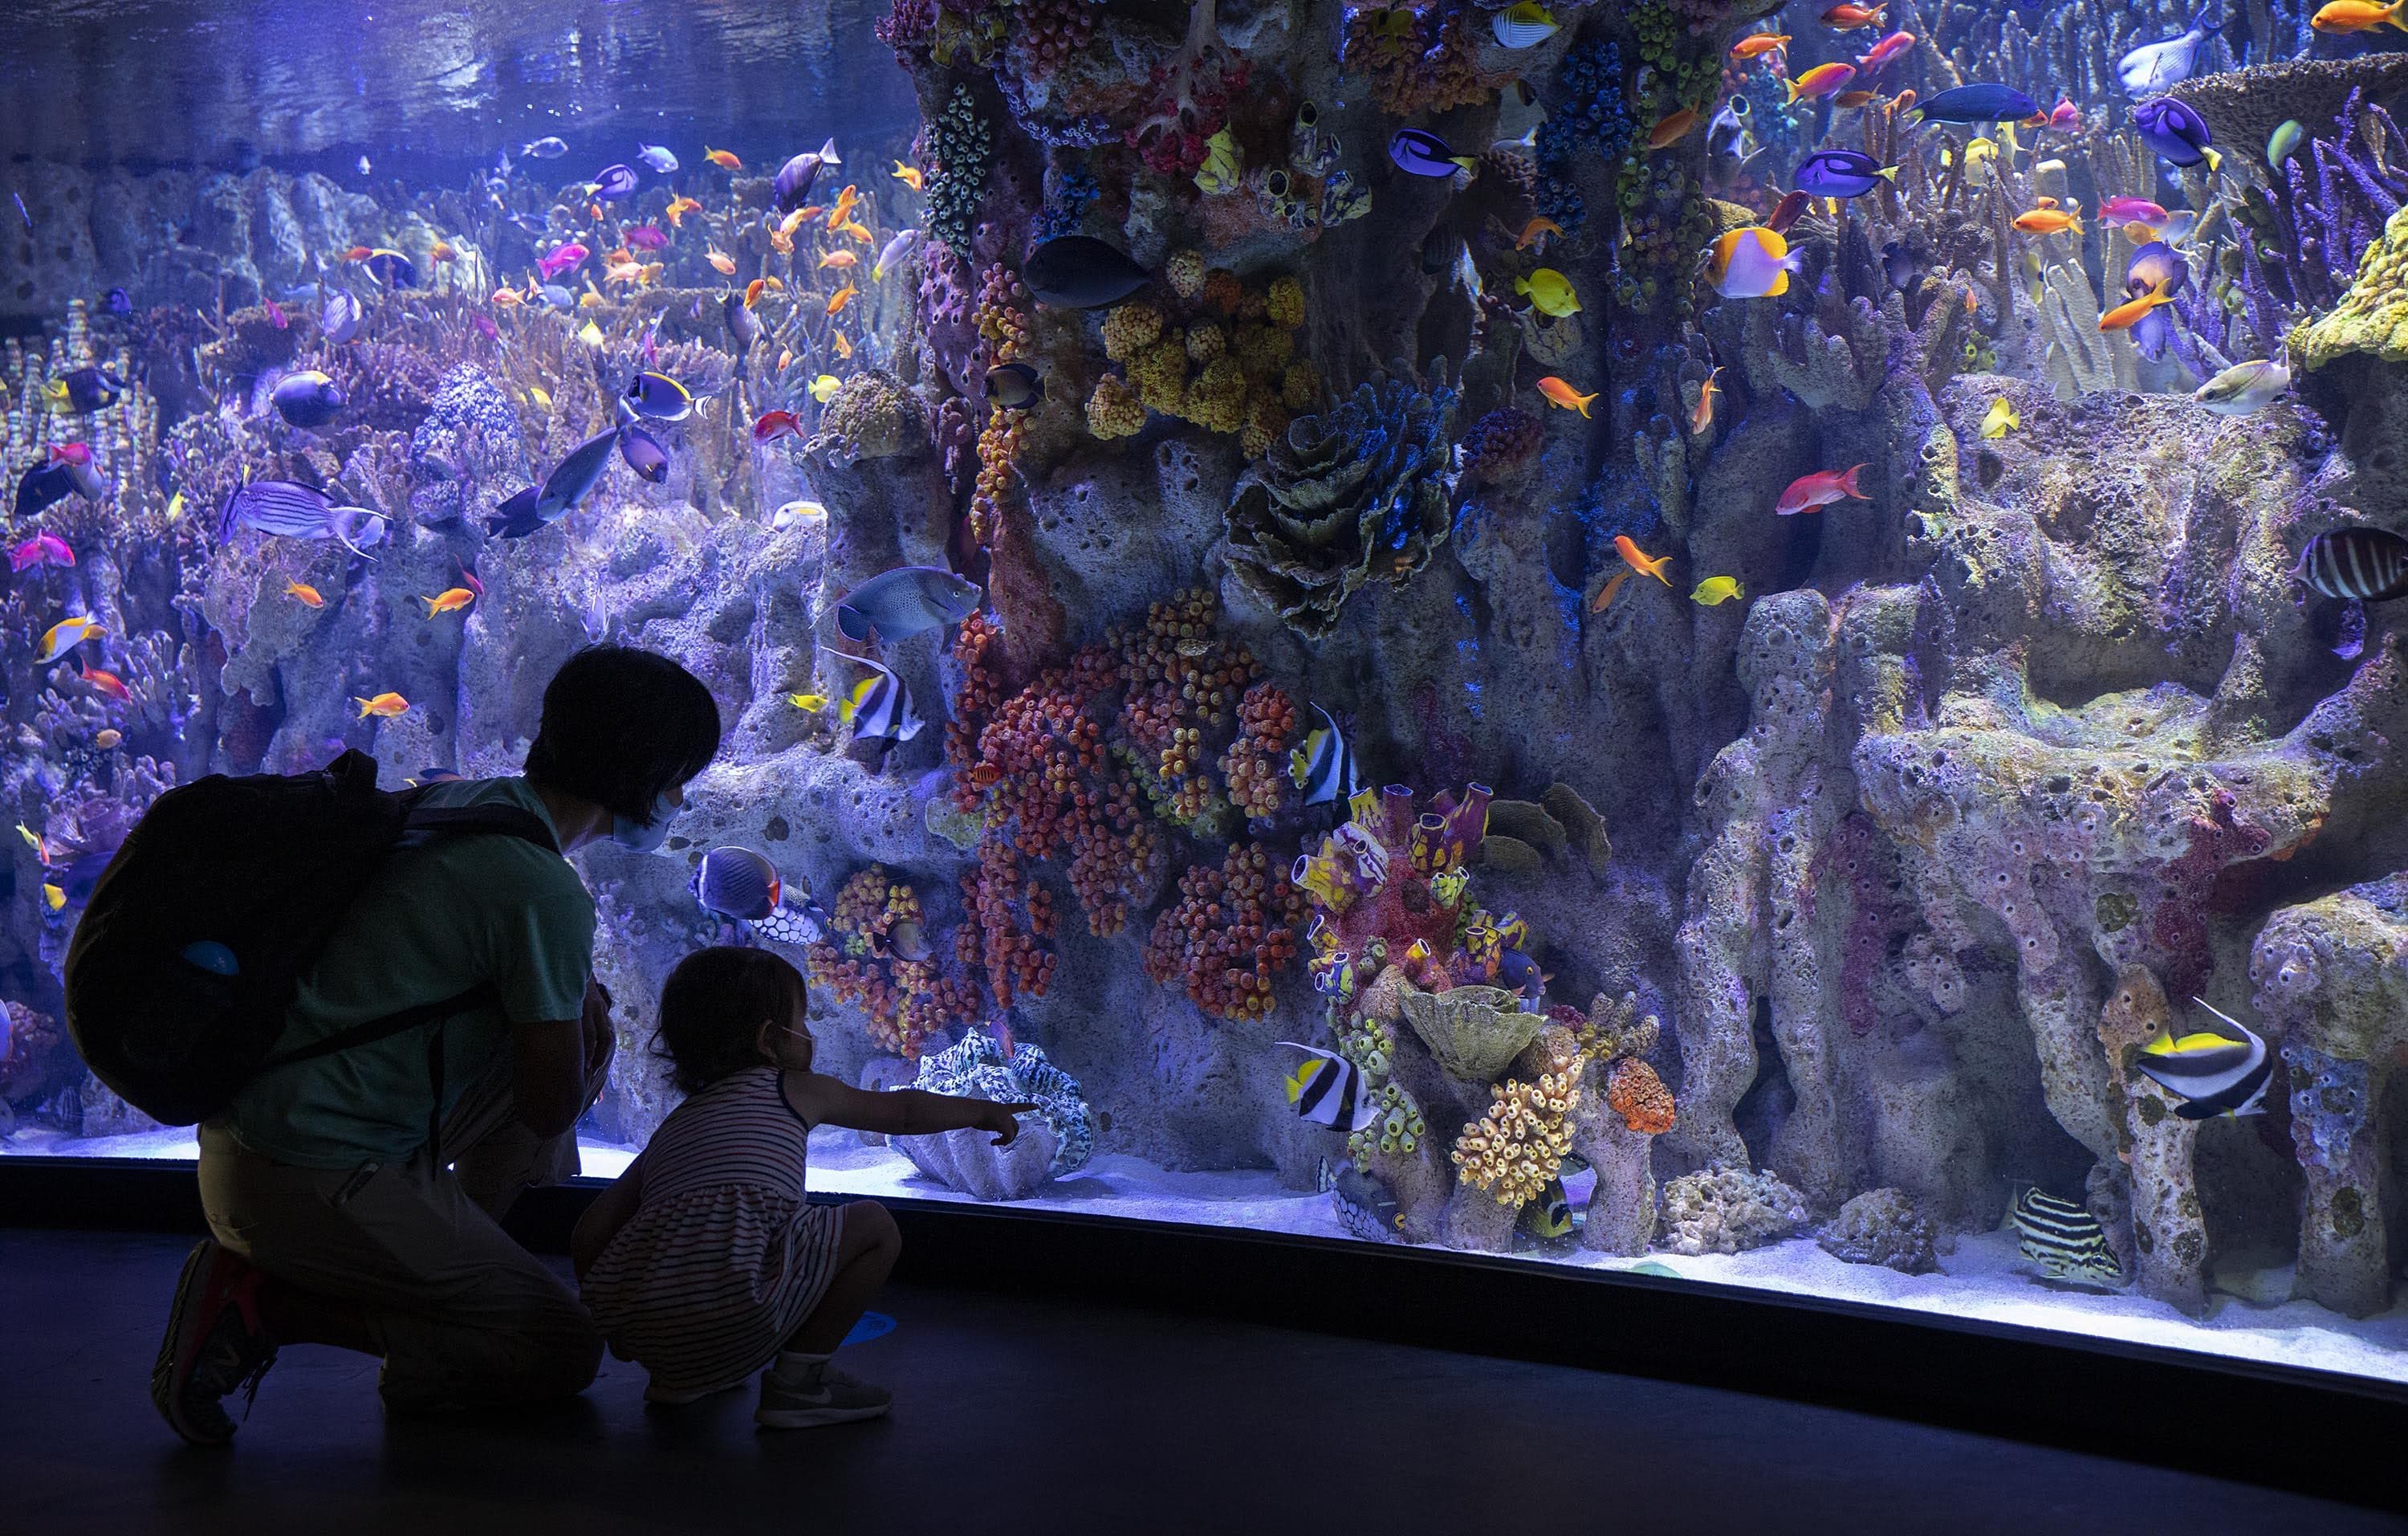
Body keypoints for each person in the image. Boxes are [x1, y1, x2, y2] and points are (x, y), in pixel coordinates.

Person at [153, 645, 722, 1445]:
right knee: (559, 1348)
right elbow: (549, 1104)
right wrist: (574, 1010)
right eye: (676, 776)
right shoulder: (540, 888)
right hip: (304, 1174)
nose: (677, 797)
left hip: (264, 1133)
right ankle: (259, 1301)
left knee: (576, 1029)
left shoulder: (467, 803)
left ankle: (442, 1284)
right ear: (639, 773)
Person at [573, 946, 1031, 1428]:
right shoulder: (791, 1087)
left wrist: (619, 1325)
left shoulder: (673, 1129)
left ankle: (683, 1378)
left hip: (656, 1336)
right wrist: (980, 1111)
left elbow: (590, 1231)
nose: (809, 1035)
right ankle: (799, 1384)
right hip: (744, 1310)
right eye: (803, 1021)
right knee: (875, 1227)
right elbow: (902, 1112)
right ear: (771, 1039)